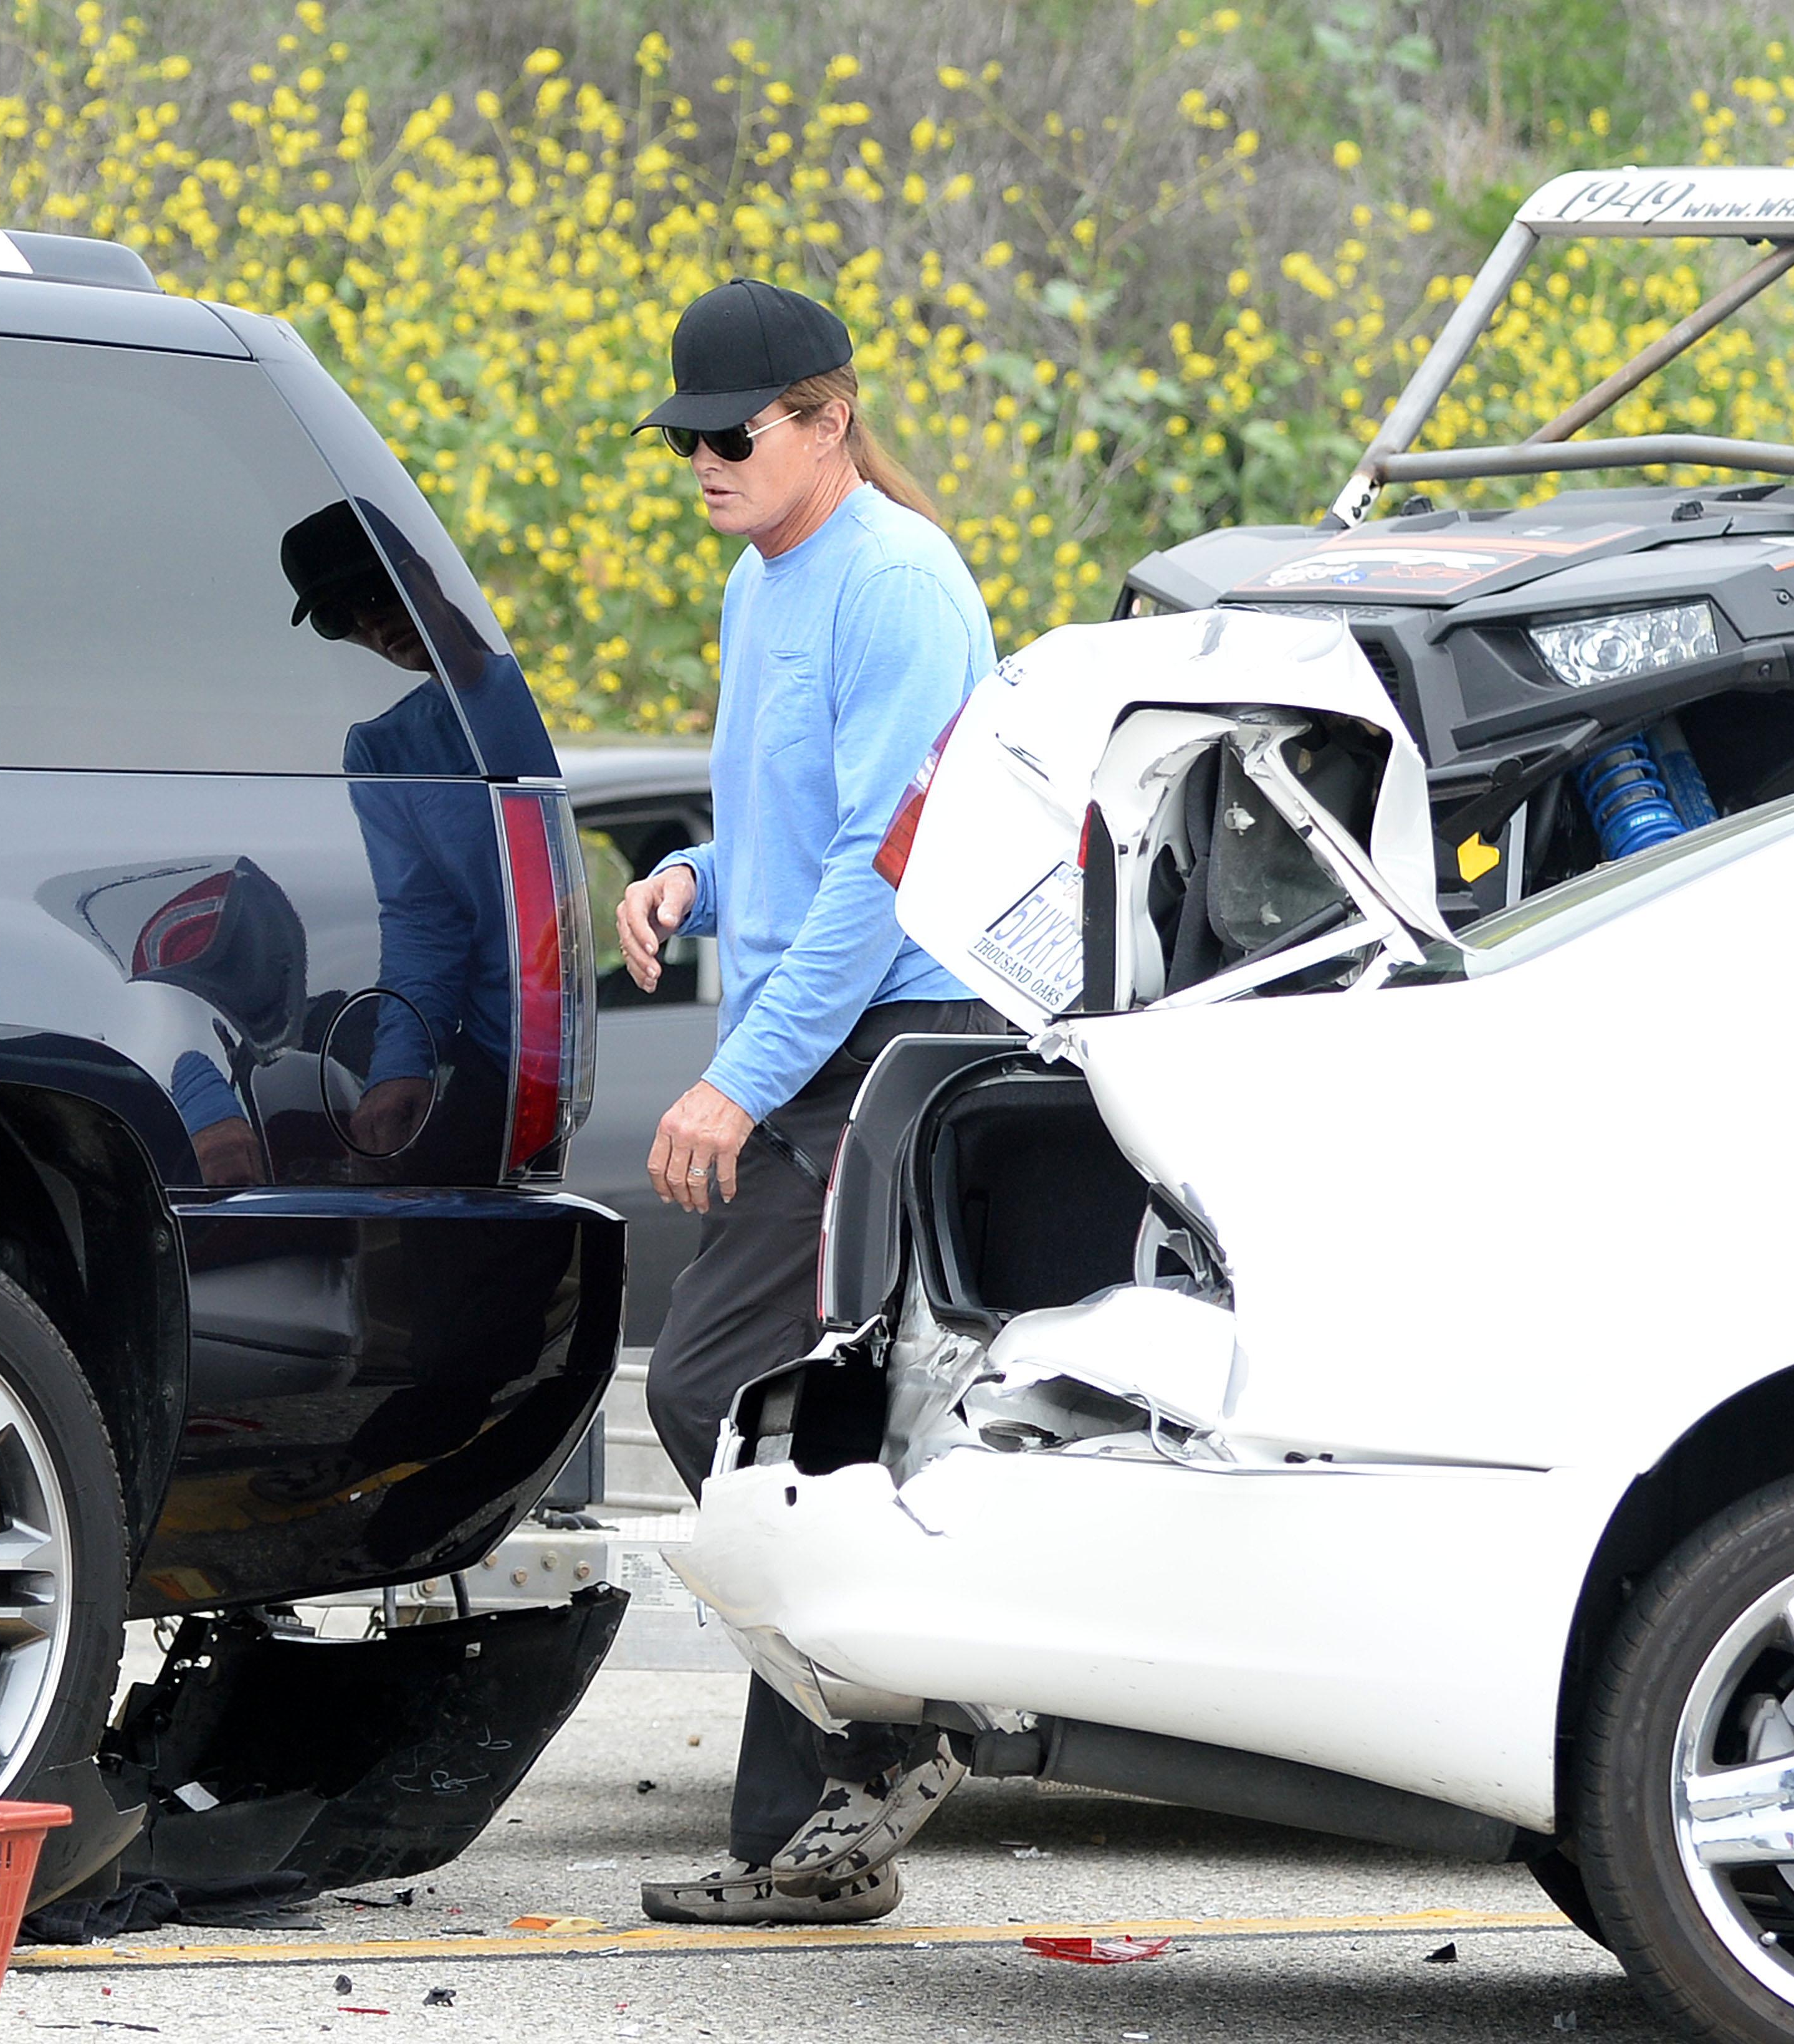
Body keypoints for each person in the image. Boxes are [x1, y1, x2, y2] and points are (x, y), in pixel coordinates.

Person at [615, 279, 1006, 1926]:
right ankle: (826, 1817)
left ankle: (886, 1743)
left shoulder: (900, 585)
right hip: (812, 1033)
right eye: (684, 438)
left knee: (720, 1398)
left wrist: (731, 1080)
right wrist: (695, 877)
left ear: (829, 419)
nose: (703, 459)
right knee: (794, 1430)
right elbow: (790, 824)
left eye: (732, 433)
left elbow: (886, 870)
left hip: (888, 1049)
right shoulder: (757, 583)